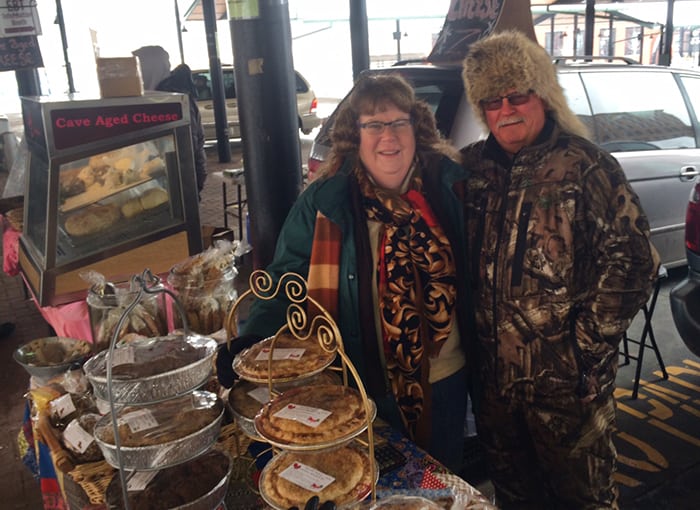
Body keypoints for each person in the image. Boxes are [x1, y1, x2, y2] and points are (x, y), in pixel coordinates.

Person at [217, 74, 474, 473]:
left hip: (445, 378)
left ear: (416, 128)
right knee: (368, 480)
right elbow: (287, 281)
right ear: (356, 136)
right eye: (372, 124)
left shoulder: (451, 187)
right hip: (361, 382)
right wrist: (254, 340)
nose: (387, 135)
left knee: (438, 484)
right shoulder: (324, 202)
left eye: (398, 122)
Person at [458, 30, 660, 509]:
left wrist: (582, 352)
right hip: (494, 392)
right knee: (515, 498)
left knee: (583, 500)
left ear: (542, 95)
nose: (505, 109)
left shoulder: (586, 166)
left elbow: (633, 262)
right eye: (491, 101)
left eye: (517, 95)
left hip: (569, 395)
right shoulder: (468, 171)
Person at [131, 46, 207, 197]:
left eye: (137, 69)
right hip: (169, 176)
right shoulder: (153, 96)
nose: (135, 76)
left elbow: (188, 146)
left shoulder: (174, 98)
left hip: (181, 177)